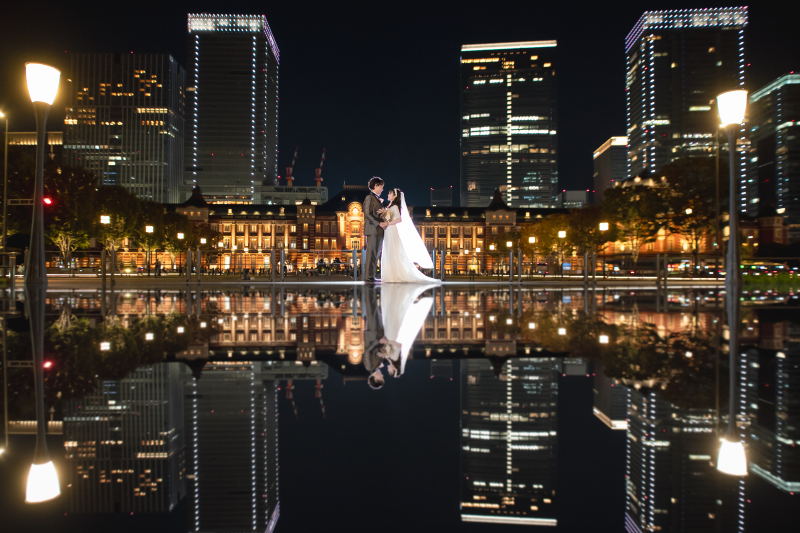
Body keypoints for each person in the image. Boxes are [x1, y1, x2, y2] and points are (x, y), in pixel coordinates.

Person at [380, 188, 439, 283]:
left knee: (392, 250)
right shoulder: (391, 206)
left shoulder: (394, 206)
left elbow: (399, 219)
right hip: (388, 230)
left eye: (390, 193)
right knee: (389, 249)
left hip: (391, 229)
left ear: (394, 196)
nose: (388, 194)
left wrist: (387, 223)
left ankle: (393, 275)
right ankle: (391, 274)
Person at [363, 177, 388, 282]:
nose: (382, 189)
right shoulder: (369, 197)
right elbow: (367, 213)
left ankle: (371, 276)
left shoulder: (377, 198)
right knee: (372, 253)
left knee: (376, 253)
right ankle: (368, 276)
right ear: (376, 185)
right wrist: (380, 223)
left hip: (378, 230)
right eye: (381, 186)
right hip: (373, 229)